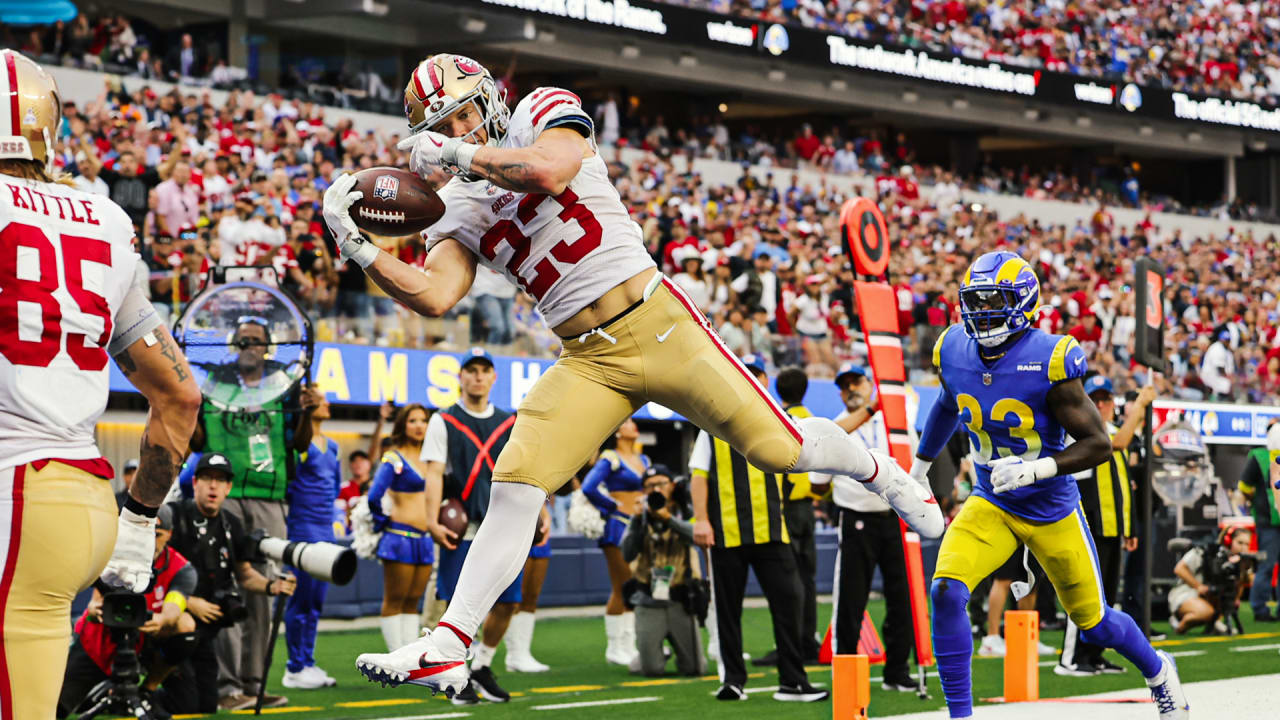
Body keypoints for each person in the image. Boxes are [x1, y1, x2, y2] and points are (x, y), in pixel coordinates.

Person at [330, 53, 940, 695]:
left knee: (778, 450)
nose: (458, 134)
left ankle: (881, 474)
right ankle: (451, 643)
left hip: (656, 320)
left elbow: (551, 169)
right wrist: (357, 243)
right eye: (445, 129)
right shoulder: (452, 206)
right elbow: (434, 295)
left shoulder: (539, 113)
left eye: (461, 118)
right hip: (586, 358)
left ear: (488, 99)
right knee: (515, 482)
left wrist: (459, 158)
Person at [0, 50, 201, 719]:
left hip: (16, 492)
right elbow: (179, 396)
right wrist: (140, 525)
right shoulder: (105, 219)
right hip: (87, 502)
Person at [912, 251, 1189, 720]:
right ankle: (960, 716)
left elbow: (1098, 443)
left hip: (1050, 507)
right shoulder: (952, 348)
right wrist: (919, 466)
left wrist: (1039, 468)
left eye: (992, 301)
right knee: (945, 591)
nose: (980, 312)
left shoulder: (1049, 357)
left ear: (1022, 303)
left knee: (1095, 623)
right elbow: (945, 403)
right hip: (991, 501)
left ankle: (1159, 671)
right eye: (974, 302)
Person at [190, 318, 320, 707]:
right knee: (224, 587)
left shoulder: (284, 387)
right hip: (225, 494)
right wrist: (187, 407)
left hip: (271, 495)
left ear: (267, 347)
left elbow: (299, 443)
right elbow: (198, 442)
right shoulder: (214, 385)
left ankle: (254, 684)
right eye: (243, 340)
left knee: (267, 590)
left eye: (257, 340)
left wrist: (309, 413)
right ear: (234, 345)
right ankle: (227, 688)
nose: (249, 345)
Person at [691, 355, 829, 703]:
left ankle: (793, 681)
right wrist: (702, 519)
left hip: (772, 530)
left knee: (790, 603)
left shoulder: (780, 421)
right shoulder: (712, 424)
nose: (750, 380)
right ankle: (733, 680)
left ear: (765, 380)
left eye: (756, 374)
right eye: (744, 374)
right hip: (727, 531)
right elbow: (699, 474)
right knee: (728, 610)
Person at [422, 349, 521, 704]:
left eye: (484, 371)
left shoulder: (511, 422)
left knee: (509, 602)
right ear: (460, 377)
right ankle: (454, 675)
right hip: (461, 525)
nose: (478, 377)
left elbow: (525, 474)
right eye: (471, 371)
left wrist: (539, 514)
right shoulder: (443, 420)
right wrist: (431, 520)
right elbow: (433, 473)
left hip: (503, 526)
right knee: (456, 605)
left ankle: (481, 665)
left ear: (493, 377)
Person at [163, 453, 297, 713]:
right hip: (175, 619)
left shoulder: (231, 524)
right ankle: (140, 693)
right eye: (208, 478)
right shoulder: (175, 516)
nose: (214, 485)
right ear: (195, 482)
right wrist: (189, 601)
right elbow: (155, 572)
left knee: (206, 705)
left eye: (221, 480)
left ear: (228, 488)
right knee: (185, 703)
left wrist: (273, 587)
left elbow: (245, 574)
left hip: (207, 629)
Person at [820, 363, 918, 692]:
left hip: (895, 515)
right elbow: (817, 484)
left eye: (857, 381)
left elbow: (915, 462)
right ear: (839, 391)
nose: (851, 389)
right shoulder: (835, 427)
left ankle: (898, 670)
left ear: (868, 383)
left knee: (902, 596)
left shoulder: (893, 420)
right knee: (851, 598)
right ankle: (846, 669)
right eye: (845, 384)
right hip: (856, 516)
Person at [58, 505, 198, 719]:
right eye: (146, 533)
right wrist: (94, 609)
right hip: (99, 642)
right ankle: (98, 693)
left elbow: (174, 607)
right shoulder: (115, 556)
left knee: (186, 624)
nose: (150, 541)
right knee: (56, 708)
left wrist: (160, 619)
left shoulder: (181, 568)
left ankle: (147, 691)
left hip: (147, 638)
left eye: (157, 535)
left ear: (169, 535)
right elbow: (96, 599)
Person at [1058, 376, 1156, 675]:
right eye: (1095, 400)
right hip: (1089, 523)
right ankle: (1071, 658)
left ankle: (1095, 653)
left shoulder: (1112, 429)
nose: (1100, 406)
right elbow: (1118, 442)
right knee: (1085, 593)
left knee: (1107, 595)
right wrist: (1138, 408)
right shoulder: (1078, 431)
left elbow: (1123, 486)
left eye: (1105, 399)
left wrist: (1130, 529)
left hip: (1113, 526)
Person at [754, 365, 827, 666]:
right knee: (807, 580)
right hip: (807, 507)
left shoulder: (778, 420)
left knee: (786, 580)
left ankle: (791, 645)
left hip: (784, 508)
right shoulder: (815, 421)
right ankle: (807, 640)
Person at [282, 391, 342, 689]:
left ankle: (308, 662)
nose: (328, 403)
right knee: (300, 600)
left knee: (316, 602)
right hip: (302, 529)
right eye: (322, 399)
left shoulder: (333, 447)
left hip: (326, 532)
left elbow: (333, 491)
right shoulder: (298, 447)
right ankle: (294, 668)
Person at [622, 465, 706, 677]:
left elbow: (695, 536)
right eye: (649, 486)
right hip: (648, 601)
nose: (655, 489)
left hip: (680, 599)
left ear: (671, 486)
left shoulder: (685, 510)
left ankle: (658, 648)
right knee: (652, 670)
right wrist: (636, 521)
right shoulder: (639, 515)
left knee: (696, 668)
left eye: (661, 483)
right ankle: (651, 653)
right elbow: (627, 554)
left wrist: (667, 518)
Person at [367, 404, 436, 654]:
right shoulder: (394, 458)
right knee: (394, 600)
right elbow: (374, 496)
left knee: (412, 601)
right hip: (399, 537)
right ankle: (395, 655)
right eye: (413, 421)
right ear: (402, 425)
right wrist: (382, 522)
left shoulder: (432, 458)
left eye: (423, 420)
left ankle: (410, 656)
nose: (419, 426)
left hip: (425, 539)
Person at [581, 417, 651, 666]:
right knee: (623, 586)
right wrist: (612, 505)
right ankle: (614, 647)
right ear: (618, 431)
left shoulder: (644, 460)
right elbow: (588, 487)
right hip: (617, 525)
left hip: (641, 526)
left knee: (638, 586)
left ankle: (629, 645)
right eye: (628, 423)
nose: (634, 425)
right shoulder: (610, 457)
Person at [1169, 527, 1255, 635]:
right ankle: (1179, 624)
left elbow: (1244, 583)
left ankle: (1215, 623)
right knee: (1205, 612)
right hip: (1186, 592)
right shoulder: (1207, 551)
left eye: (1247, 544)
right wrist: (1198, 586)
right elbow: (1179, 569)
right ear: (1228, 540)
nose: (1243, 548)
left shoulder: (1241, 561)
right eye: (1240, 543)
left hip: (1214, 595)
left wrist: (1244, 570)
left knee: (1225, 599)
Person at [1238, 423, 1280, 622]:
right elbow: (1244, 486)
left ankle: (1264, 608)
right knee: (1266, 564)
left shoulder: (1261, 456)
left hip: (1269, 519)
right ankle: (1259, 608)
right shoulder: (1259, 457)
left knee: (1267, 564)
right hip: (1267, 521)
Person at [507, 502, 553, 673]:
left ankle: (524, 652)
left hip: (538, 528)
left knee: (532, 596)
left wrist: (546, 517)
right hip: (516, 527)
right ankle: (514, 654)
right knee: (516, 597)